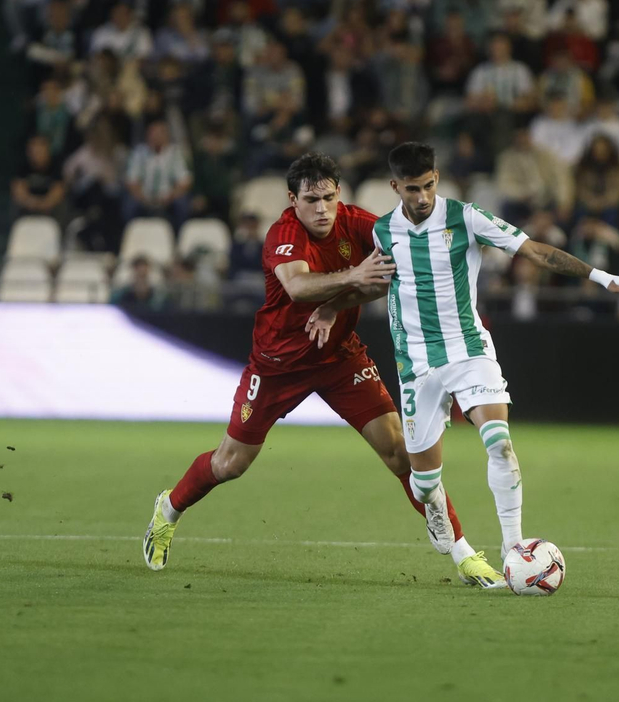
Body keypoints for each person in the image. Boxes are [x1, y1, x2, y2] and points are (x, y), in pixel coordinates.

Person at [304, 142, 619, 588]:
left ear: (437, 179)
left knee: (500, 443)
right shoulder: (383, 231)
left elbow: (535, 251)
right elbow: (378, 284)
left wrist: (605, 278)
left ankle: (513, 549)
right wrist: (333, 305)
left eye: (429, 185)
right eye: (413, 188)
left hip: (469, 351)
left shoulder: (466, 217)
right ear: (395, 187)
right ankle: (432, 508)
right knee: (423, 483)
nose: (424, 196)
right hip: (417, 366)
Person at [141, 153, 479, 580]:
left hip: (340, 358)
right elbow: (299, 286)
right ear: (292, 199)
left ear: (340, 194)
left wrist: (337, 305)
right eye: (311, 200)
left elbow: (390, 275)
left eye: (329, 197)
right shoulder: (282, 234)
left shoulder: (357, 223)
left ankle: (464, 554)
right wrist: (354, 275)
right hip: (278, 365)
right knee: (230, 464)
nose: (321, 209)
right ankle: (168, 510)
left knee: (401, 452)